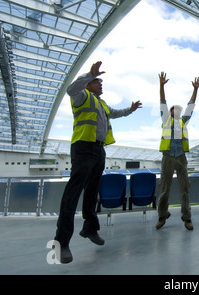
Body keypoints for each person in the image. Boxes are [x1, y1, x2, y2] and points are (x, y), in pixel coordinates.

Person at [54, 61, 142, 263]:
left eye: (100, 82)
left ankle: (90, 228)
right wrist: (88, 74)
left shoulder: (101, 103)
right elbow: (70, 89)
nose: (101, 84)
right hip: (83, 148)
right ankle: (61, 242)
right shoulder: (81, 96)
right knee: (73, 193)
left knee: (93, 192)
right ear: (88, 85)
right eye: (97, 82)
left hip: (98, 150)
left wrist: (131, 109)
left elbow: (116, 113)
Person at [156, 72, 199, 231]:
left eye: (180, 110)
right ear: (170, 112)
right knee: (164, 188)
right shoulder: (165, 120)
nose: (179, 111)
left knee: (185, 188)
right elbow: (162, 101)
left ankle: (187, 217)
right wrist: (161, 85)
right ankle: (162, 215)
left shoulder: (183, 122)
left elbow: (191, 105)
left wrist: (195, 89)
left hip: (181, 157)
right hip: (168, 157)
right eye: (176, 109)